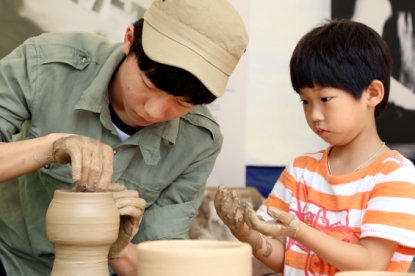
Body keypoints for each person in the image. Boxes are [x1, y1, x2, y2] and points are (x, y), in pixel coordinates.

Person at [0, 0, 249, 275]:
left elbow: (154, 265)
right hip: (8, 256)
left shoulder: (199, 142)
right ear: (129, 41)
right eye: (148, 85)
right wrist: (50, 146)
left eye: (181, 103)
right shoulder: (46, 65)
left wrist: (115, 248)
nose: (154, 111)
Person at [214, 19, 415, 275]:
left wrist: (300, 230)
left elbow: (370, 263)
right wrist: (245, 232)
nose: (315, 114)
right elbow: (286, 261)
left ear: (373, 93)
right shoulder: (301, 169)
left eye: (325, 99)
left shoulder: (394, 175)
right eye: (305, 101)